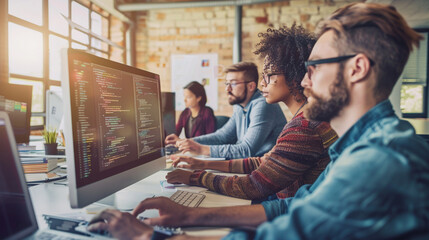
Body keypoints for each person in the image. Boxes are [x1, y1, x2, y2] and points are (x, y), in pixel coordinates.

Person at [88, 3, 429, 240]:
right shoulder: (360, 145)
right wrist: (187, 215)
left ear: (357, 68)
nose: (305, 81)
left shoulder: (378, 163)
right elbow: (292, 206)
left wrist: (150, 235)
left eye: (315, 67)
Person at [165, 25, 338, 201]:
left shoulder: (302, 125)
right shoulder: (303, 117)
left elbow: (255, 185)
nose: (263, 83)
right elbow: (261, 162)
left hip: (285, 208)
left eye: (268, 75)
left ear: (293, 76)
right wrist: (201, 162)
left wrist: (196, 176)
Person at [166, 62, 286, 159]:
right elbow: (222, 136)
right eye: (226, 83)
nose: (227, 89)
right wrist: (187, 142)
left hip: (260, 169)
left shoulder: (263, 105)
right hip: (246, 165)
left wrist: (201, 149)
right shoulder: (240, 107)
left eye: (233, 84)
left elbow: (247, 150)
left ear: (251, 86)